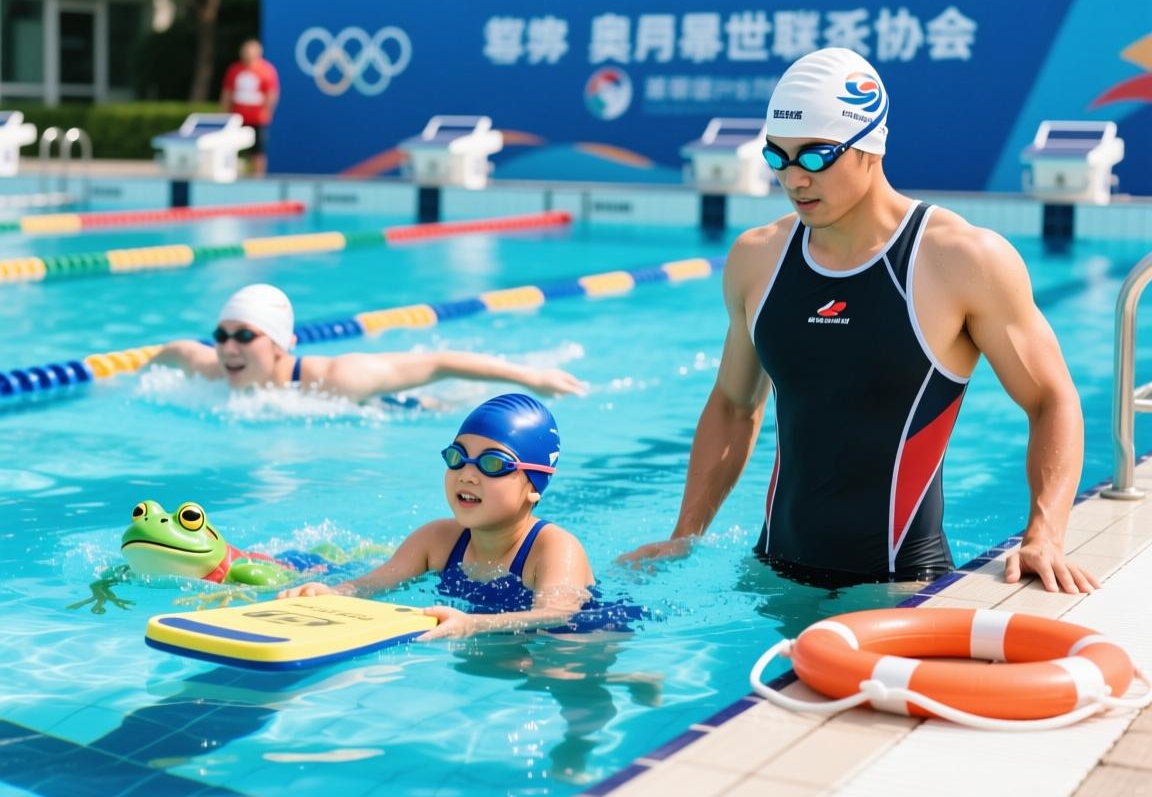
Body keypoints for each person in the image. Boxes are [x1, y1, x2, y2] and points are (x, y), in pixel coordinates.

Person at [620, 47, 1098, 596]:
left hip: (901, 585)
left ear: (871, 146)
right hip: (773, 577)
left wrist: (1045, 532)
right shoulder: (758, 259)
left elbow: (1052, 399)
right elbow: (733, 405)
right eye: (777, 157)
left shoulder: (958, 259)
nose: (794, 178)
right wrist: (686, 535)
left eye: (817, 156)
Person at [278, 393, 597, 638]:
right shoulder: (437, 540)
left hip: (581, 638)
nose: (468, 475)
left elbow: (558, 614)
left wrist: (472, 624)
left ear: (534, 485)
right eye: (458, 457)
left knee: (560, 668)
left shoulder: (553, 547)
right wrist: (333, 593)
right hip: (484, 632)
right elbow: (372, 583)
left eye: (493, 464)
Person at [148, 283, 587, 401]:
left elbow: (438, 363)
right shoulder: (205, 366)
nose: (228, 349)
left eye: (245, 336)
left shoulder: (338, 378)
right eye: (222, 336)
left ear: (281, 344)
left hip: (393, 406)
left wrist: (531, 376)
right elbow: (169, 353)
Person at [220, 38, 279, 177]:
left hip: (257, 118)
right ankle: (232, 175)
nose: (246, 54)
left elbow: (272, 94)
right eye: (245, 51)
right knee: (231, 148)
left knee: (257, 151)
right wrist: (223, 113)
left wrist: (266, 112)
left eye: (249, 51)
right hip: (237, 117)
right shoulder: (235, 69)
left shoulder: (266, 70)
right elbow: (227, 92)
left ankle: (257, 177)